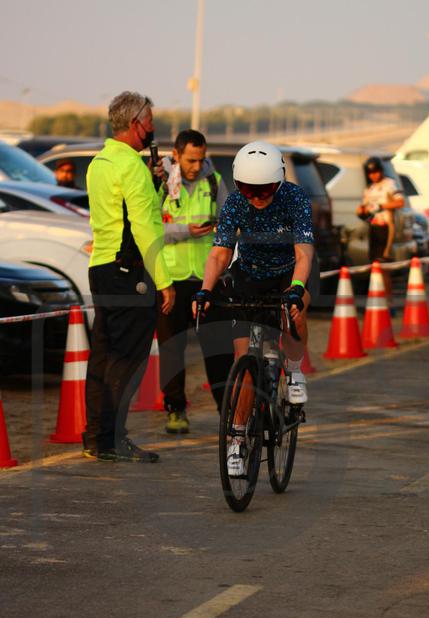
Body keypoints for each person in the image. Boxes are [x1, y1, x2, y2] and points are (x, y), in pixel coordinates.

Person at [193, 140, 314, 476]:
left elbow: (304, 253)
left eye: (265, 190)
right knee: (244, 360)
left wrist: (297, 288)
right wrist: (205, 289)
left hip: (290, 271)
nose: (257, 197)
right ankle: (237, 439)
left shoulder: (295, 198)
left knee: (295, 310)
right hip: (249, 275)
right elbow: (220, 252)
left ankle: (294, 369)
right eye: (248, 189)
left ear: (279, 181)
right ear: (238, 184)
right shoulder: (235, 203)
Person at [82, 91, 175, 462]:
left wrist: (153, 184)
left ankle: (96, 437)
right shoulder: (130, 166)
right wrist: (164, 280)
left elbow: (122, 214)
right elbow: (144, 227)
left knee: (103, 356)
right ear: (136, 124)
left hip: (102, 267)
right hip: (129, 271)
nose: (153, 128)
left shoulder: (100, 162)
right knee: (128, 359)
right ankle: (113, 439)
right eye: (150, 121)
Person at [157, 129, 232, 434]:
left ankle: (227, 411)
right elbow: (148, 229)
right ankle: (175, 410)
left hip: (207, 281)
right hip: (171, 280)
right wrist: (185, 231)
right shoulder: (160, 182)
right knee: (171, 350)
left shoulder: (214, 181)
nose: (196, 166)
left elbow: (229, 225)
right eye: (190, 160)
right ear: (175, 155)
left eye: (201, 159)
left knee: (219, 350)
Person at [356, 156, 404, 303]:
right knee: (374, 265)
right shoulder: (369, 189)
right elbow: (365, 209)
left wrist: (382, 206)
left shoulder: (390, 184)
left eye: (376, 172)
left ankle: (388, 302)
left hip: (386, 227)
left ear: (381, 171)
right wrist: (361, 211)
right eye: (370, 173)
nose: (374, 175)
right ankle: (378, 300)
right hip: (373, 227)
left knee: (384, 266)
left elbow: (400, 202)